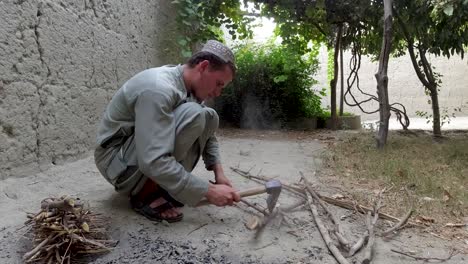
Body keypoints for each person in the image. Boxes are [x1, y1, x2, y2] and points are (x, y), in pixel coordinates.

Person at [94, 40, 240, 223]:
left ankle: (162, 186)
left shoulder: (188, 88)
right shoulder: (159, 89)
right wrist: (208, 191)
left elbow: (209, 136)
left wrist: (219, 173)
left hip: (137, 156)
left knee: (208, 115)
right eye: (219, 83)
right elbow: (152, 160)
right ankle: (145, 193)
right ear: (204, 67)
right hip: (117, 163)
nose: (218, 92)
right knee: (193, 114)